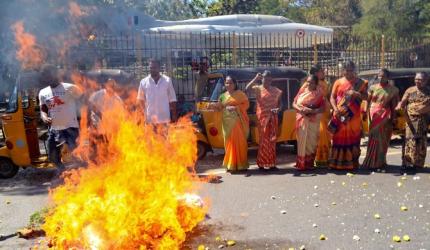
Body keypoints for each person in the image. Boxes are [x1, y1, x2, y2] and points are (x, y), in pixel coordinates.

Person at [38, 64, 83, 168]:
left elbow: (85, 101)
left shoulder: (71, 88)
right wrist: (44, 117)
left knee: (76, 156)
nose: (49, 78)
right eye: (46, 76)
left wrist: (87, 118)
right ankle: (63, 172)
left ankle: (80, 174)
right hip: (54, 130)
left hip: (70, 129)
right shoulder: (43, 92)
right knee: (52, 156)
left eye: (51, 75)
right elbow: (43, 109)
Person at [328, 61, 368, 170]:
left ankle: (352, 163)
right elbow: (332, 97)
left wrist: (356, 94)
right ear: (343, 70)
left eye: (350, 70)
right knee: (338, 137)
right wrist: (335, 109)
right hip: (340, 114)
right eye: (346, 70)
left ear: (354, 70)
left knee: (353, 137)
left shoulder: (360, 83)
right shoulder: (338, 82)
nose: (348, 72)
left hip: (353, 116)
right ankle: (337, 163)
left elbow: (366, 97)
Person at [209, 76, 249, 172]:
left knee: (239, 142)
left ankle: (241, 165)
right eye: (227, 83)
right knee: (229, 143)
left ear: (235, 84)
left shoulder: (240, 94)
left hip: (237, 121)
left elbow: (246, 105)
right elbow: (220, 107)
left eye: (230, 83)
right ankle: (231, 164)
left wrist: (235, 108)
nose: (228, 85)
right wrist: (212, 106)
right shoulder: (222, 96)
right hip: (226, 123)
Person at [362, 69, 399, 169]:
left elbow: (394, 106)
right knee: (372, 137)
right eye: (379, 76)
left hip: (384, 115)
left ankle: (380, 162)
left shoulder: (393, 90)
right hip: (373, 115)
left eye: (383, 76)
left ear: (388, 77)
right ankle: (370, 161)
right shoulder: (373, 87)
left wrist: (393, 118)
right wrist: (365, 112)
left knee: (382, 139)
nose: (381, 78)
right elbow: (367, 101)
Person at [246, 70, 282, 170]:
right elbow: (247, 89)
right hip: (262, 119)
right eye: (265, 78)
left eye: (269, 79)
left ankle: (272, 164)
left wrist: (278, 109)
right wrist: (255, 78)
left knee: (272, 141)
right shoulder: (258, 89)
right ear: (262, 79)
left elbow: (280, 103)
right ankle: (261, 163)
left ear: (271, 80)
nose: (267, 80)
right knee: (263, 141)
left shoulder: (276, 90)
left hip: (273, 118)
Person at [396, 72, 430, 170]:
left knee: (420, 141)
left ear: (426, 80)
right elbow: (402, 102)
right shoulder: (410, 90)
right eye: (416, 79)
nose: (417, 81)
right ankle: (407, 163)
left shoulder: (428, 91)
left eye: (420, 80)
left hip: (423, 120)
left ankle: (418, 163)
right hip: (410, 120)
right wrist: (399, 107)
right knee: (409, 140)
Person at [293, 75, 325, 170]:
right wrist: (301, 109)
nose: (309, 84)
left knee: (311, 143)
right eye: (307, 82)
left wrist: (312, 111)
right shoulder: (303, 90)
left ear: (316, 83)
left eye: (311, 82)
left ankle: (309, 163)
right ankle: (301, 163)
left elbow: (322, 108)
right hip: (302, 119)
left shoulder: (319, 93)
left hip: (313, 121)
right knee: (302, 141)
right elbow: (294, 103)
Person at [88, 78, 124, 163]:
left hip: (109, 131)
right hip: (96, 128)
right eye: (110, 85)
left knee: (106, 152)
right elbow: (90, 104)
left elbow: (120, 117)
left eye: (113, 86)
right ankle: (92, 167)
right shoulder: (98, 94)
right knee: (93, 151)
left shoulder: (118, 100)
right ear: (106, 85)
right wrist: (97, 114)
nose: (111, 87)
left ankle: (104, 166)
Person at [137, 59, 177, 125]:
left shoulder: (167, 81)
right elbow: (140, 101)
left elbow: (172, 99)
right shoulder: (143, 82)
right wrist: (140, 117)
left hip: (164, 120)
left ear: (159, 68)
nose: (152, 70)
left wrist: (174, 116)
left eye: (154, 67)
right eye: (151, 68)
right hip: (150, 121)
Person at [310, 64, 332, 167]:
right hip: (318, 112)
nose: (323, 72)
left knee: (327, 134)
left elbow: (328, 97)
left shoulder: (325, 83)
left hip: (326, 112)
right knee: (321, 134)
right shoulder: (311, 83)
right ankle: (320, 159)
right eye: (321, 71)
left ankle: (327, 158)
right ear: (315, 73)